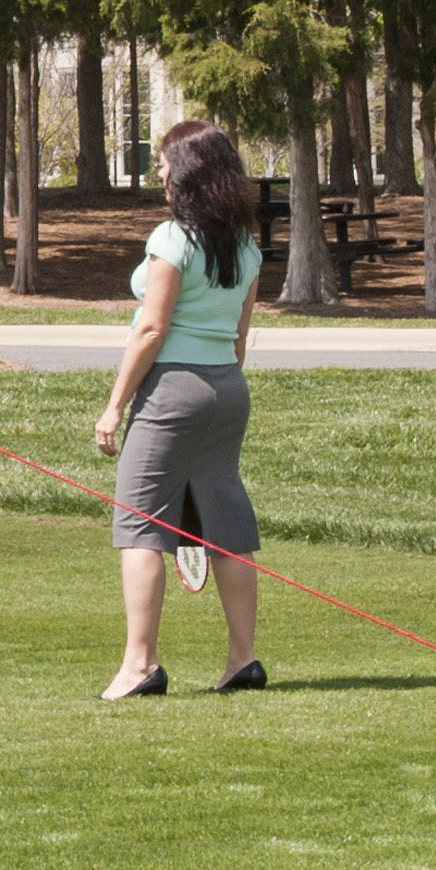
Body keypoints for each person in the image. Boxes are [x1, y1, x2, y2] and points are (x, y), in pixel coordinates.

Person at [93, 118, 265, 700]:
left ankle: (139, 665)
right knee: (227, 527)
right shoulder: (247, 246)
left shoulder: (172, 239)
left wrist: (115, 406)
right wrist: (217, 386)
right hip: (228, 390)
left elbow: (151, 329)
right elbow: (239, 338)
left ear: (188, 171)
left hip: (172, 389)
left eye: (165, 162)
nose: (160, 171)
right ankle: (243, 660)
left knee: (140, 524)